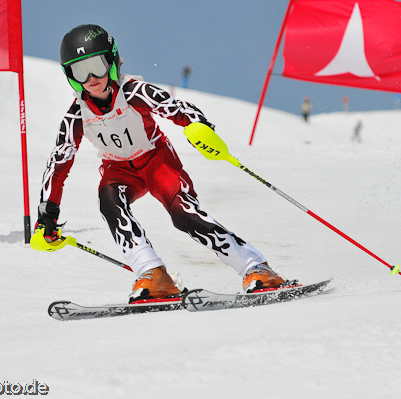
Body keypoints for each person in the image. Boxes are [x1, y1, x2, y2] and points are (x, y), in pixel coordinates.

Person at [31, 24, 286, 302]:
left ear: (112, 61)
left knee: (184, 215)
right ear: (70, 76)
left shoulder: (135, 92)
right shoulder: (75, 116)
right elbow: (58, 164)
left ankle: (257, 267)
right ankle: (153, 274)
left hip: (156, 161)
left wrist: (199, 128)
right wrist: (47, 216)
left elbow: (177, 109)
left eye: (97, 66)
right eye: (80, 71)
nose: (91, 78)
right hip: (119, 171)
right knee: (108, 199)